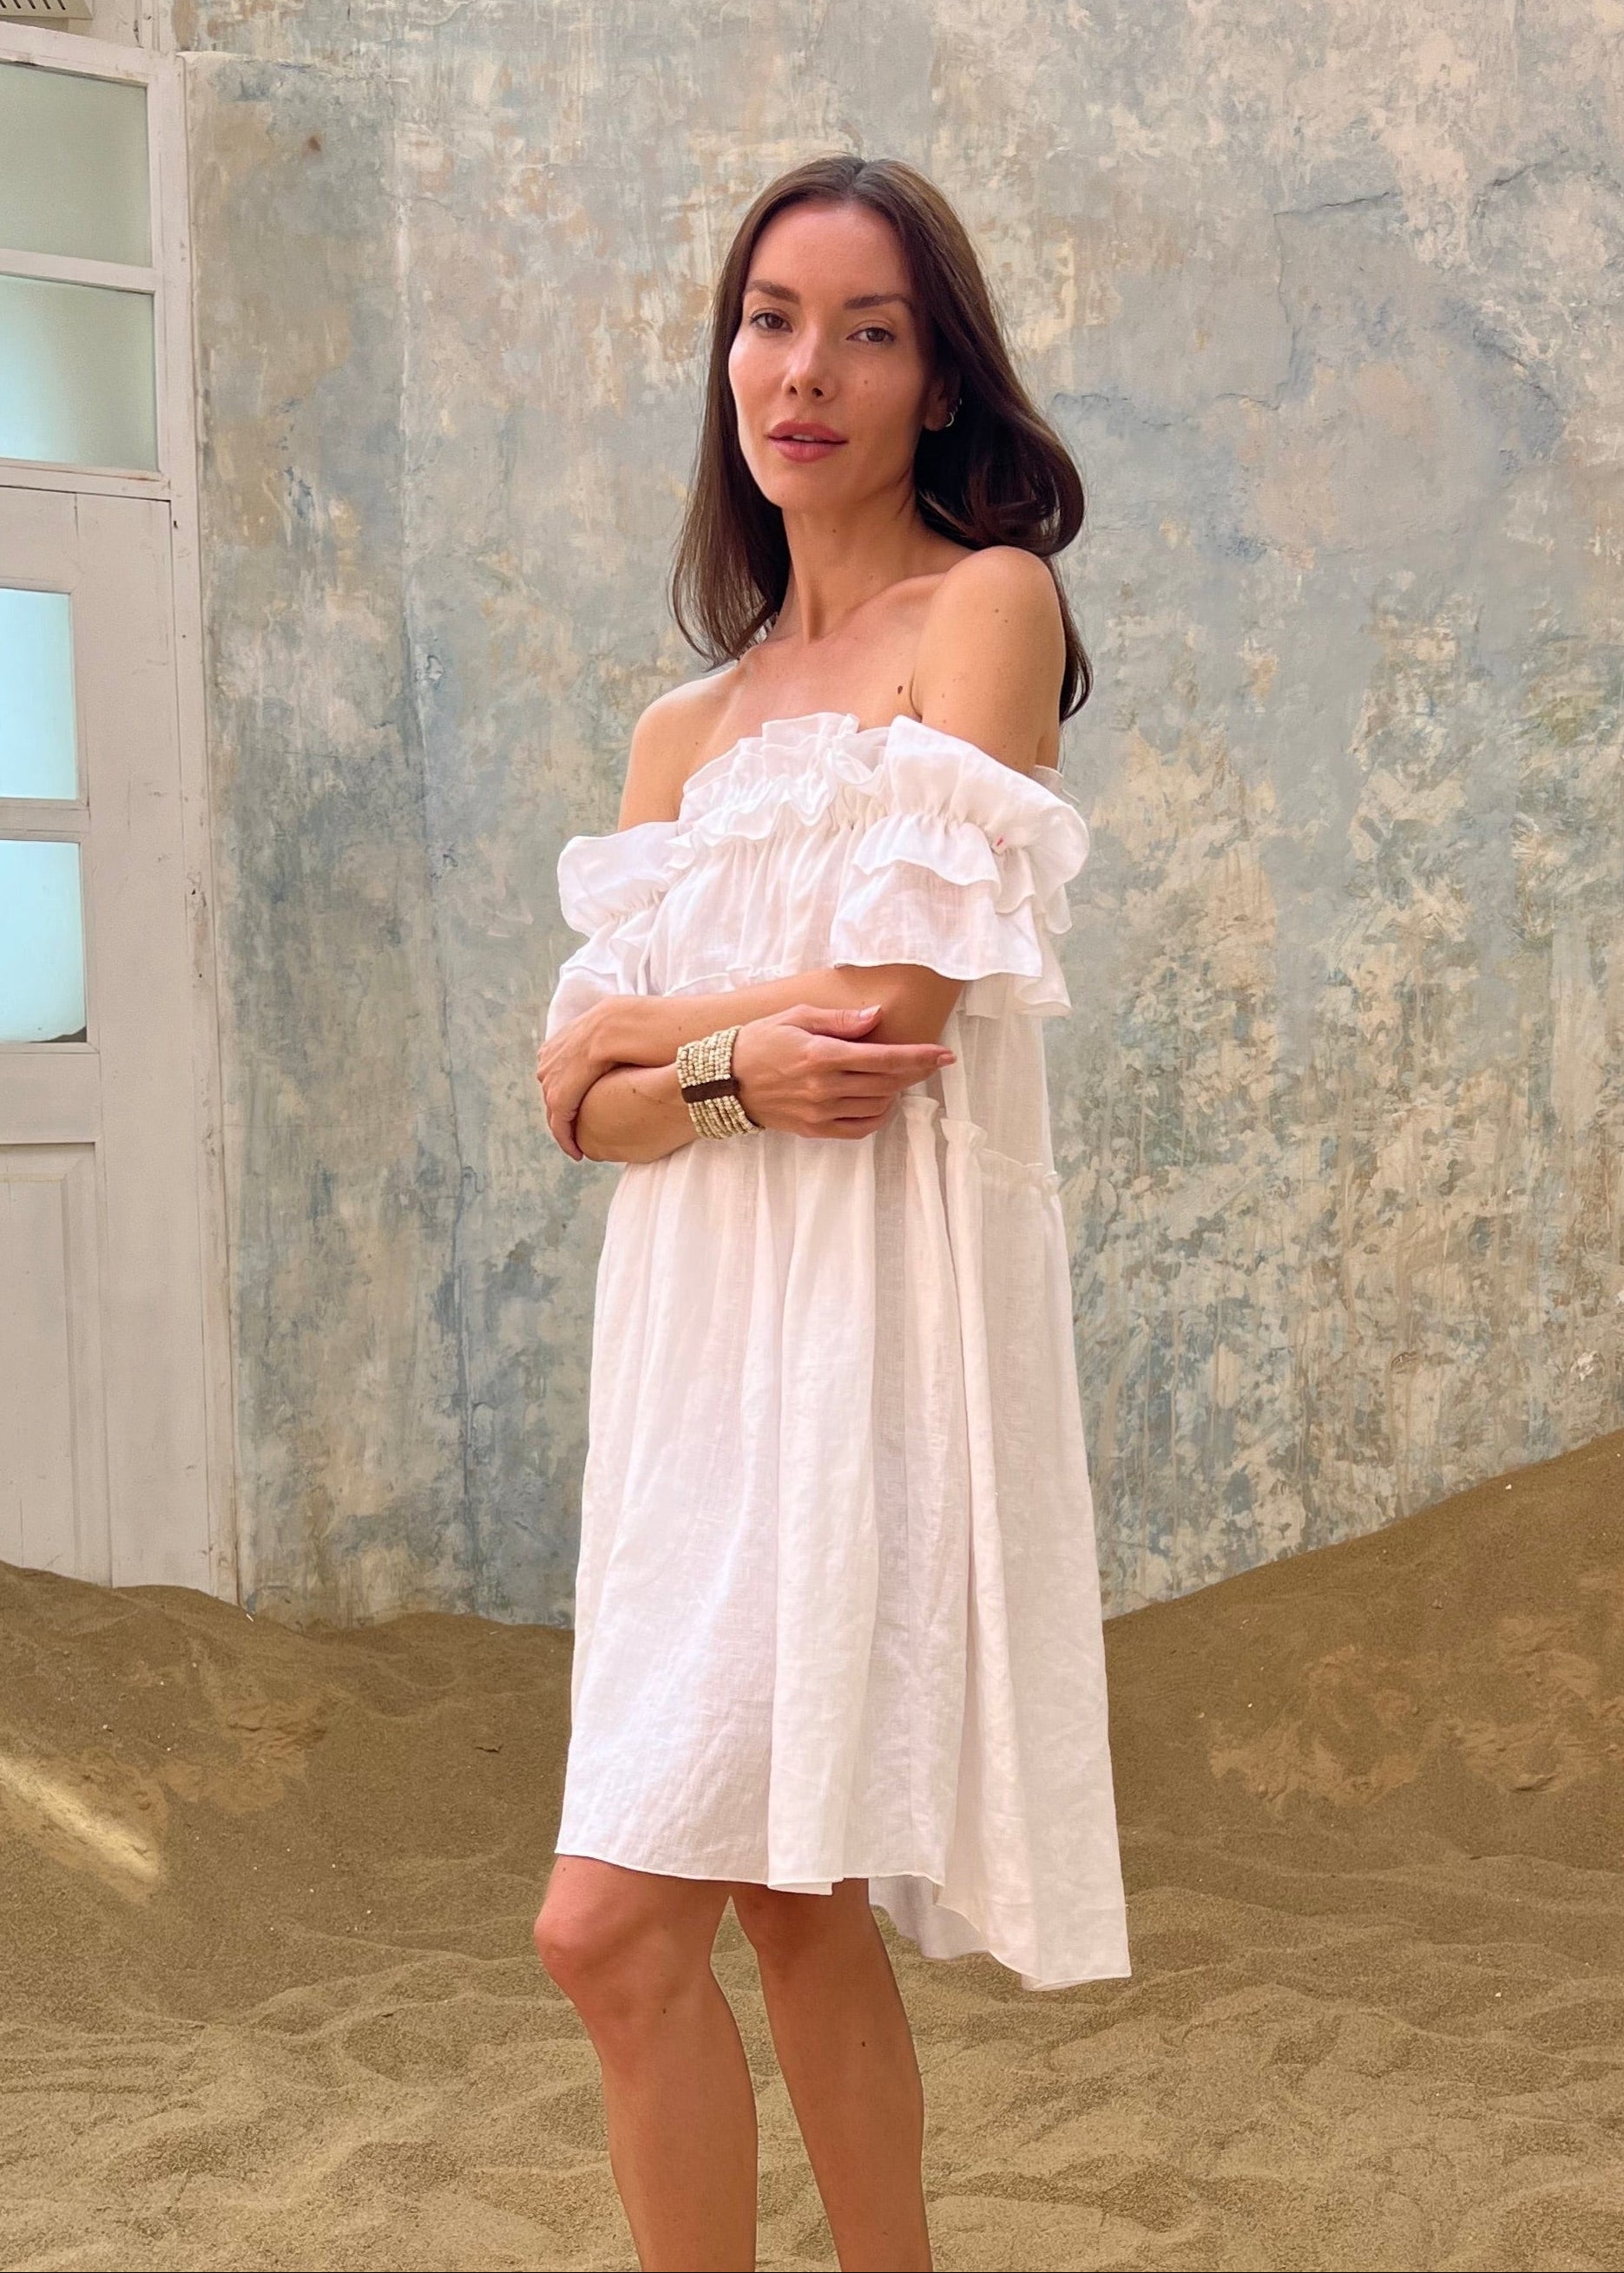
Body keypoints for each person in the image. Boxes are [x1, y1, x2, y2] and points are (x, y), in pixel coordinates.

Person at [531, 152, 1129, 2273]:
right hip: (691, 1356)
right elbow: (572, 1108)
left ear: (938, 380)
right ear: (728, 358)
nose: (808, 369)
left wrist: (656, 1050)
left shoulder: (988, 606)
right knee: (772, 1899)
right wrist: (707, 1069)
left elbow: (884, 1016)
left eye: (869, 329)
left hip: (859, 1325)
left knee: (603, 1926)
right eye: (773, 317)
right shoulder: (674, 728)